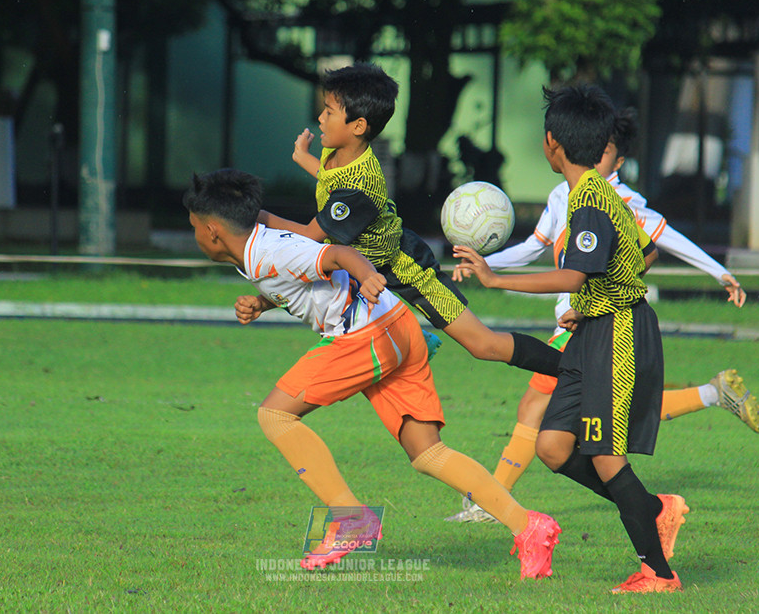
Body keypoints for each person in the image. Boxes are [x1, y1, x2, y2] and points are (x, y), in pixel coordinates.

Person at [183, 167, 562, 579]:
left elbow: (338, 255)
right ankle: (530, 526)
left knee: (274, 414)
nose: (195, 237)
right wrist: (262, 303)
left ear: (212, 230)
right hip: (398, 325)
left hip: (366, 334)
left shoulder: (268, 251)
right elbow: (301, 279)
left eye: (194, 229)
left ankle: (352, 520)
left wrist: (368, 277)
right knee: (428, 453)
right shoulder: (258, 251)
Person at [447, 108, 759, 524]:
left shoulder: (621, 202)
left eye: (607, 149)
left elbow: (663, 244)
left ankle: (493, 502)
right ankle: (711, 395)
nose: (597, 153)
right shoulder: (563, 195)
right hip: (576, 319)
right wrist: (484, 263)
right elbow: (533, 248)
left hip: (596, 324)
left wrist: (720, 272)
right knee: (598, 416)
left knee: (538, 410)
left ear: (616, 157)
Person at [453, 84, 686, 593]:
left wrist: (494, 278)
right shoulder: (597, 194)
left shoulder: (589, 202)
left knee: (604, 451)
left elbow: (572, 276)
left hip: (619, 332)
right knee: (555, 446)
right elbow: (645, 251)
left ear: (551, 143)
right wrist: (596, 300)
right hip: (597, 323)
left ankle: (659, 574)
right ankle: (652, 509)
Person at [261, 62, 563, 379]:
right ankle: (414, 341)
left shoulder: (359, 185)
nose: (320, 118)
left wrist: (261, 217)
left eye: (328, 111)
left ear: (358, 126)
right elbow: (330, 182)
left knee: (482, 345)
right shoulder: (338, 150)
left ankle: (571, 370)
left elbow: (310, 234)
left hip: (403, 269)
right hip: (361, 268)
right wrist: (304, 159)